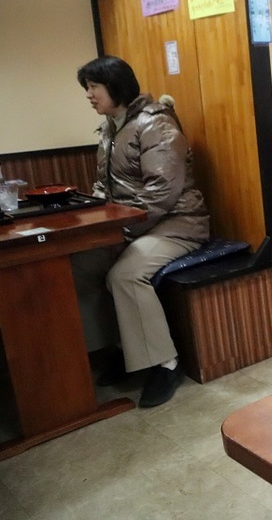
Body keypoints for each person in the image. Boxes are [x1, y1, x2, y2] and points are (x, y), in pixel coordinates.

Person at [71, 55, 210, 407]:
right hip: (134, 226)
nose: (89, 95)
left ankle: (166, 362)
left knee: (125, 274)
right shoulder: (110, 128)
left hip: (178, 223)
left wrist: (124, 233)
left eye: (93, 87)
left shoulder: (155, 125)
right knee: (83, 265)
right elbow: (104, 188)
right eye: (86, 88)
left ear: (116, 87)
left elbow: (162, 194)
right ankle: (117, 347)